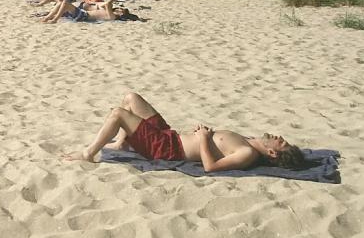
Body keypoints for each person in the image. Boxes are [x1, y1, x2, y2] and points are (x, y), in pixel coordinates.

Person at [75, 92, 307, 172]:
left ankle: (89, 153)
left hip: (166, 148)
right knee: (131, 99)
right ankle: (122, 144)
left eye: (281, 143)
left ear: (273, 154)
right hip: (170, 135)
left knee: (117, 113)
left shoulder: (247, 153)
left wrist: (204, 139)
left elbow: (210, 167)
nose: (279, 138)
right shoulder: (250, 142)